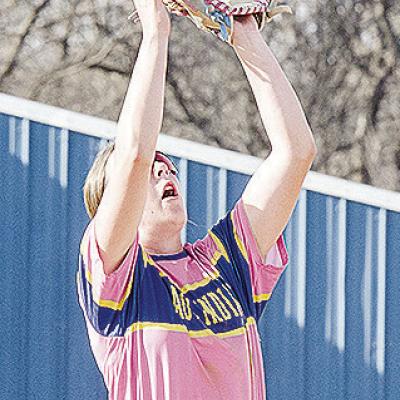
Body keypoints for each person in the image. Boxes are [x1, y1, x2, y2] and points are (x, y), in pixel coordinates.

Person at [76, 0, 317, 399]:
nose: (163, 169)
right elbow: (134, 154)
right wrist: (156, 30)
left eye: (167, 165)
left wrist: (244, 34)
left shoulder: (225, 267)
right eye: (151, 170)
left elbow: (296, 152)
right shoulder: (116, 282)